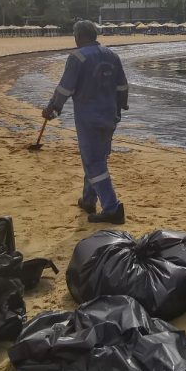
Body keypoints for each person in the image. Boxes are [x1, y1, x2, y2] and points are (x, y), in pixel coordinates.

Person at [42, 20, 129, 224]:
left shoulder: (77, 57)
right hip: (110, 115)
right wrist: (120, 107)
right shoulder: (112, 55)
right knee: (97, 158)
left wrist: (52, 108)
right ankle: (89, 200)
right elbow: (123, 87)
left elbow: (65, 88)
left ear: (78, 36)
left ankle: (111, 207)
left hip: (89, 118)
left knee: (93, 161)